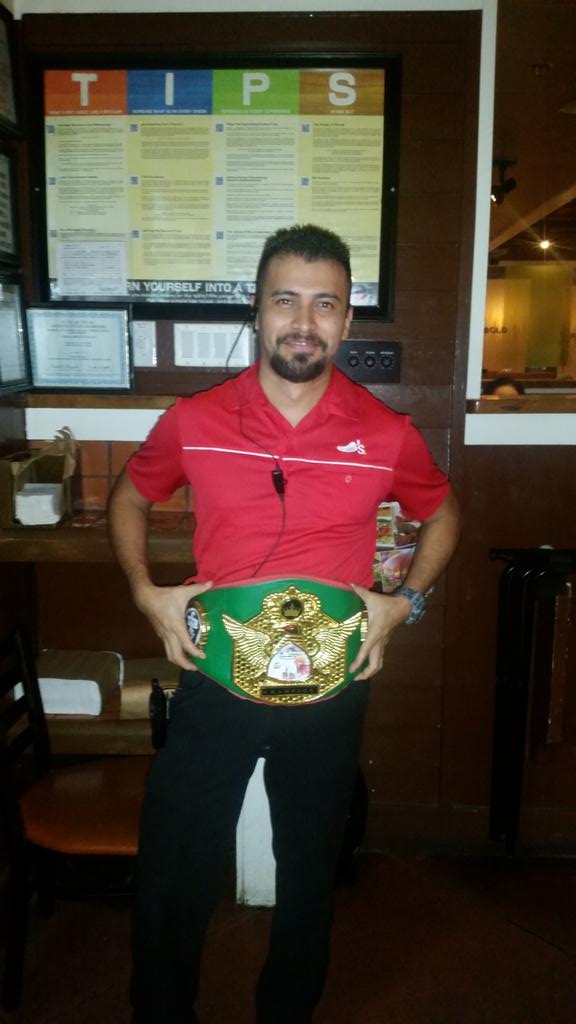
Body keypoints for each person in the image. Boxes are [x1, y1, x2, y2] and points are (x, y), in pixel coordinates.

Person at [108, 223, 461, 1024]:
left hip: (331, 688)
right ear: (257, 309)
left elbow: (444, 514)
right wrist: (146, 593)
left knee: (308, 876)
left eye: (324, 304)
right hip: (213, 677)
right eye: (286, 300)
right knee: (174, 872)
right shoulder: (195, 420)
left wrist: (404, 603)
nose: (304, 321)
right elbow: (130, 495)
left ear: (346, 319)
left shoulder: (387, 433)